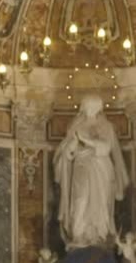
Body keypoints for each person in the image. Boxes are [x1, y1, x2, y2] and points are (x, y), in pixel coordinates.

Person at [53, 95, 129, 249]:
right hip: (81, 168)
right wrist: (72, 145)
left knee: (100, 203)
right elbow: (67, 153)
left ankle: (99, 235)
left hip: (101, 169)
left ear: (98, 108)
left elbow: (106, 148)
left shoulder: (106, 126)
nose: (90, 109)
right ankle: (79, 236)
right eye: (88, 106)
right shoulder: (76, 127)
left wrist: (85, 140)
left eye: (93, 106)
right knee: (80, 200)